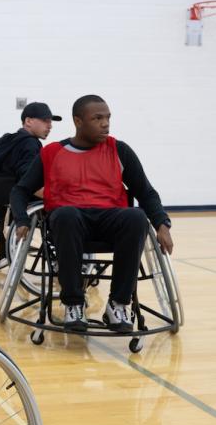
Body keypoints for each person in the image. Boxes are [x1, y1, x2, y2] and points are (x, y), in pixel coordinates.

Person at [10, 95, 174, 333]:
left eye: (107, 118)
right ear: (78, 121)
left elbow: (146, 192)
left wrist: (162, 224)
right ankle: (74, 303)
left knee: (136, 217)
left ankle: (118, 304)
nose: (105, 123)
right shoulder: (53, 152)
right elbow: (20, 190)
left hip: (109, 221)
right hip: (69, 223)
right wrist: (21, 219)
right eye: (97, 118)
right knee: (66, 215)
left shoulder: (120, 150)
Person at [0, 102, 61, 181]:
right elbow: (29, 180)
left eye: (50, 122)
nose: (50, 126)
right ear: (28, 121)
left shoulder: (6, 139)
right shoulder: (31, 144)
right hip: (17, 195)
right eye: (45, 121)